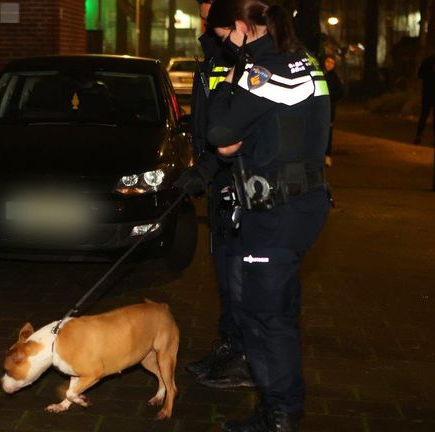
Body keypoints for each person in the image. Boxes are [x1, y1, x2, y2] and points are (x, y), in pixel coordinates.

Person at [202, 0, 330, 430]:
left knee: (263, 316)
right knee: (276, 310)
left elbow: (219, 131)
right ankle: (280, 408)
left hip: (276, 209)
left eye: (227, 38)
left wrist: (230, 80)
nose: (227, 47)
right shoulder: (305, 61)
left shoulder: (263, 70)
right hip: (301, 202)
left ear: (241, 27)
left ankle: (279, 416)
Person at [175, 0, 254, 390]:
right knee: (223, 273)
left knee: (239, 277)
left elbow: (239, 129)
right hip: (219, 180)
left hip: (240, 181)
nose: (205, 12)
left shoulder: (244, 55)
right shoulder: (211, 52)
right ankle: (228, 347)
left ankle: (242, 359)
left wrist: (211, 167)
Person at [323, 54, 344, 166]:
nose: (329, 65)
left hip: (330, 109)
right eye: (328, 62)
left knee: (328, 132)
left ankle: (327, 155)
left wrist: (330, 97)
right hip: (322, 108)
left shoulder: (334, 77)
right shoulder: (323, 74)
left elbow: (341, 92)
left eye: (332, 63)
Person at [415, 52, 435, 145]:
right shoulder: (427, 61)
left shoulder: (427, 61)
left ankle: (418, 136)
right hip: (429, 92)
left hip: (427, 92)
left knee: (424, 115)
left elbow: (420, 75)